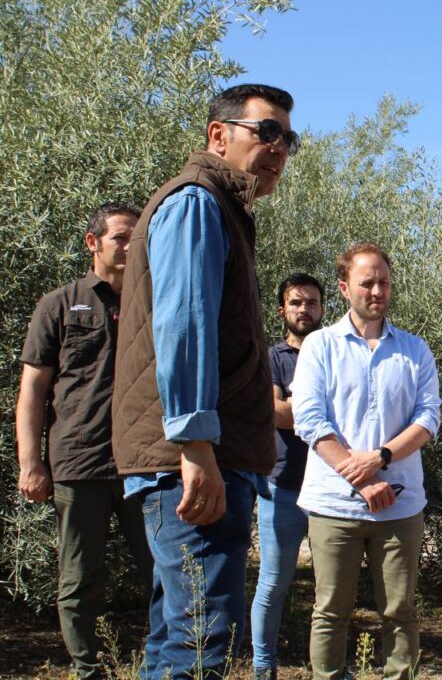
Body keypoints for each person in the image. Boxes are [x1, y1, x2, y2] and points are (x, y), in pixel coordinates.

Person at [111, 83, 299, 678]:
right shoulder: (197, 203)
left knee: (179, 634)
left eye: (287, 139)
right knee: (199, 644)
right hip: (191, 462)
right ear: (219, 136)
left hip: (203, 456)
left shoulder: (221, 208)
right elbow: (184, 327)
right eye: (266, 132)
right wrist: (196, 446)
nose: (278, 148)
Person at [291, 242, 442, 680]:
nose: (377, 290)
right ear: (344, 288)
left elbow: (429, 417)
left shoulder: (414, 349)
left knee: (400, 609)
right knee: (331, 610)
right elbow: (309, 418)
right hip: (334, 504)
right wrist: (358, 477)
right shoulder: (320, 346)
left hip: (400, 503)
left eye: (384, 282)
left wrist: (380, 457)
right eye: (367, 282)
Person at [16, 202, 152, 679]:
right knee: (80, 577)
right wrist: (30, 462)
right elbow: (32, 388)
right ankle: (87, 668)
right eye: (121, 237)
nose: (131, 245)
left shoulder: (151, 302)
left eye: (137, 236)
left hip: (144, 461)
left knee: (162, 573)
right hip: (79, 460)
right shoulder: (59, 304)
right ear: (93, 243)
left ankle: (161, 663)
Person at [251, 272, 325, 680]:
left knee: (330, 587)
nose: (304, 310)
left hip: (330, 486)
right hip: (281, 485)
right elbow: (277, 413)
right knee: (274, 582)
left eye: (311, 303)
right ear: (282, 310)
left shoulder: (332, 351)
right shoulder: (271, 357)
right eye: (296, 303)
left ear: (322, 308)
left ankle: (326, 666)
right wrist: (310, 406)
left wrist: (298, 404)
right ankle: (264, 666)